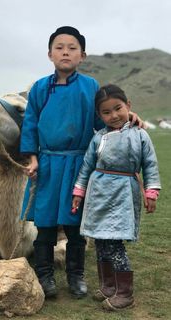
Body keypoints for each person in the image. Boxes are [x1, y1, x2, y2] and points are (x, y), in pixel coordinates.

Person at [20, 26, 143, 299]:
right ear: (50, 54)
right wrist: (32, 158)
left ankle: (76, 277)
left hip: (80, 164)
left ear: (83, 55)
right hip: (49, 164)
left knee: (76, 225)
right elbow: (29, 125)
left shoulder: (90, 86)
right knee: (46, 223)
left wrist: (128, 117)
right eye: (60, 47)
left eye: (72, 47)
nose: (66, 51)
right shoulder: (40, 88)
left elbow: (106, 119)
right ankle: (45, 276)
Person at [72, 84, 161, 310]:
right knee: (101, 241)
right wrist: (79, 192)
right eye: (106, 112)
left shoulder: (140, 135)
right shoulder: (98, 138)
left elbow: (150, 165)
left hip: (124, 192)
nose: (113, 115)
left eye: (118, 108)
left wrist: (151, 192)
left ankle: (125, 294)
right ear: (99, 115)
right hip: (99, 192)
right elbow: (86, 166)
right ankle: (108, 286)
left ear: (128, 105)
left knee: (115, 242)